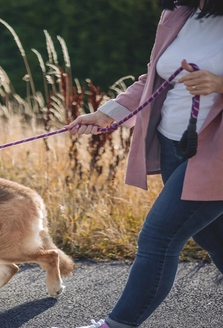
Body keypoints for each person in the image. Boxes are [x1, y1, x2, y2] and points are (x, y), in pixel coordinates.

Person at [65, 1, 223, 327]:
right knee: (215, 239)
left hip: (216, 153)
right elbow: (153, 77)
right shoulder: (179, 12)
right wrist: (108, 112)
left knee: (159, 238)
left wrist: (220, 84)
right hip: (172, 146)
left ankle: (118, 324)